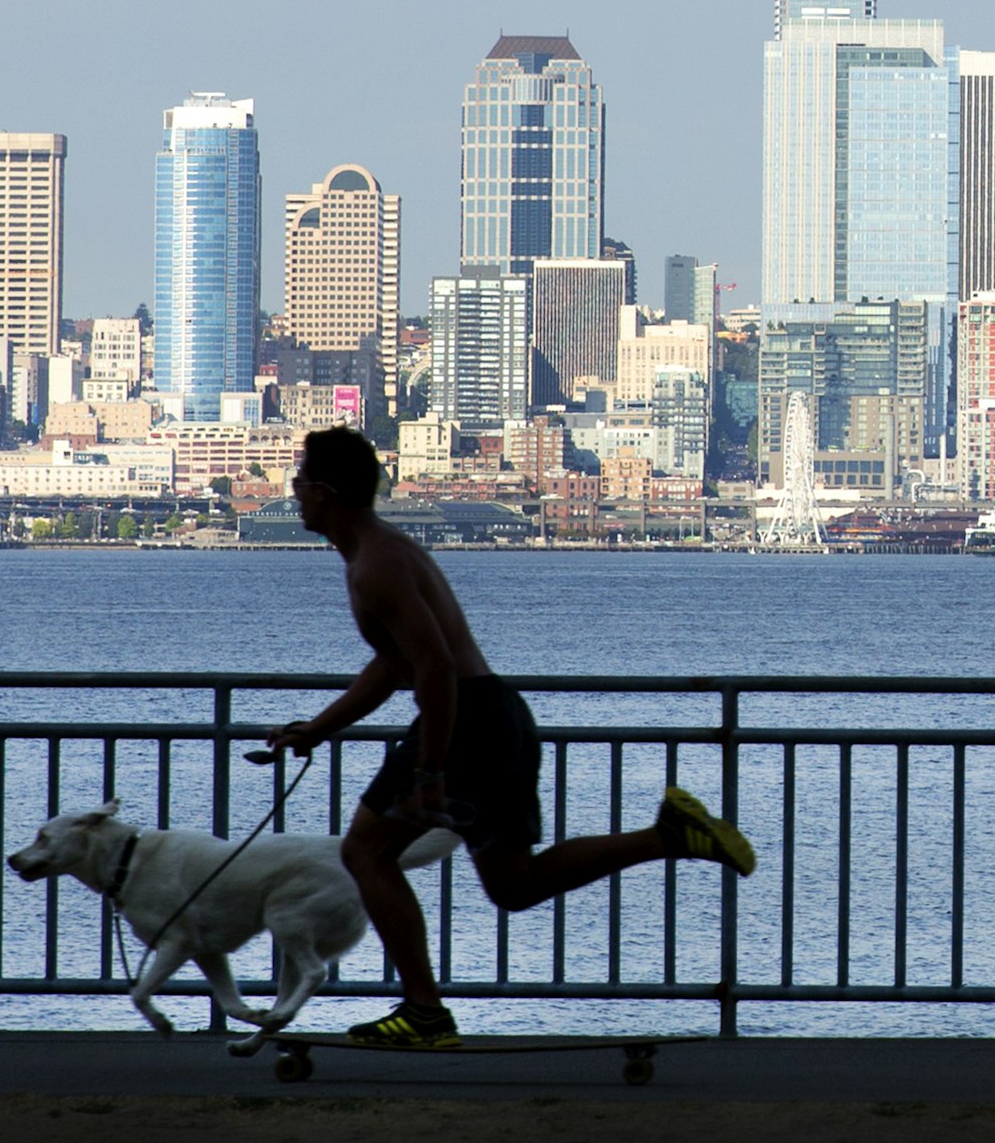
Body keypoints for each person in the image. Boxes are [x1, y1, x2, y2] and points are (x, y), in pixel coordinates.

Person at [265, 426, 758, 1049]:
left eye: (301, 482)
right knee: (514, 885)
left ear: (328, 493)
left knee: (366, 853)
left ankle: (423, 1013)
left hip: (466, 722)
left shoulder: (376, 567)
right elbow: (394, 665)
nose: (295, 493)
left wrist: (430, 772)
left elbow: (436, 669)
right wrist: (318, 730)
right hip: (494, 717)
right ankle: (669, 835)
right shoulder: (381, 554)